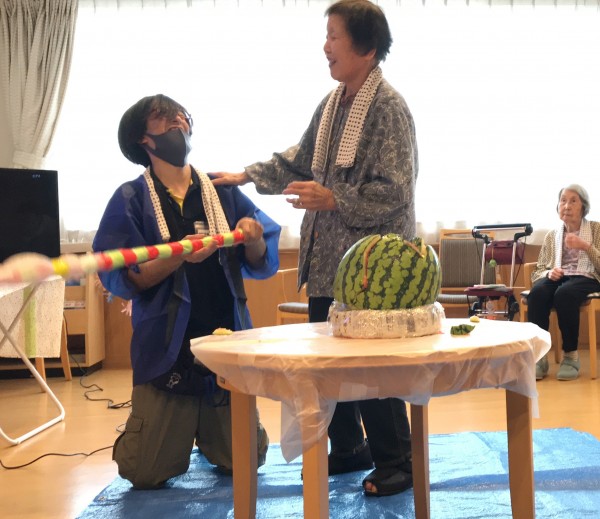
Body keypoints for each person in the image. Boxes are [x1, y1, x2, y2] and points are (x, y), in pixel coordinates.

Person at [213, 0, 417, 497]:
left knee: (372, 367)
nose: (325, 46)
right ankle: (348, 447)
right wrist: (248, 174)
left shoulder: (389, 108)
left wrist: (332, 197)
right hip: (327, 261)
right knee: (331, 363)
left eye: (334, 36)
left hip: (371, 269)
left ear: (366, 48)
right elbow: (298, 158)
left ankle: (398, 460)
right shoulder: (331, 105)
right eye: (326, 35)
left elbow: (396, 190)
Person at [93, 94, 281, 489]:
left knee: (247, 459)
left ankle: (208, 429)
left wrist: (252, 237)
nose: (177, 121)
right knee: (144, 472)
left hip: (224, 343)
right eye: (164, 117)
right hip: (167, 352)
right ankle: (169, 427)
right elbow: (126, 278)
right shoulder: (131, 198)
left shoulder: (222, 190)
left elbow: (261, 261)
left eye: (181, 115)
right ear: (143, 139)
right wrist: (178, 255)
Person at [528, 184, 600, 381]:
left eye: (573, 201)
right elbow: (538, 270)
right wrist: (549, 272)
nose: (566, 206)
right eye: (563, 201)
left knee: (564, 294)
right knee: (537, 294)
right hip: (559, 275)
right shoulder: (552, 235)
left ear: (583, 206)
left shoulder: (596, 229)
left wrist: (586, 246)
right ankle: (540, 357)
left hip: (588, 276)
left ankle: (571, 356)